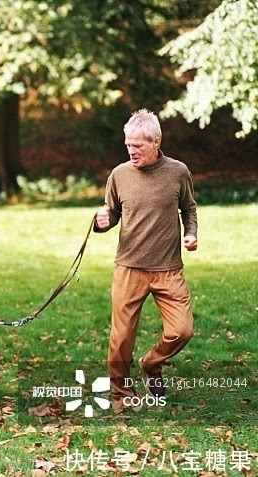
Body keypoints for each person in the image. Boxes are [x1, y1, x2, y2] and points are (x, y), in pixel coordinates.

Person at [94, 109, 197, 410]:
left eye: (138, 145)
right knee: (121, 337)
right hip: (129, 268)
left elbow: (189, 208)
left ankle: (151, 363)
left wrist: (190, 233)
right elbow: (110, 213)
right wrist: (101, 221)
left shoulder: (178, 172)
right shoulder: (119, 175)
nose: (131, 151)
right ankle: (120, 396)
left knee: (183, 330)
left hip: (168, 270)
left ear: (156, 142)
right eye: (128, 144)